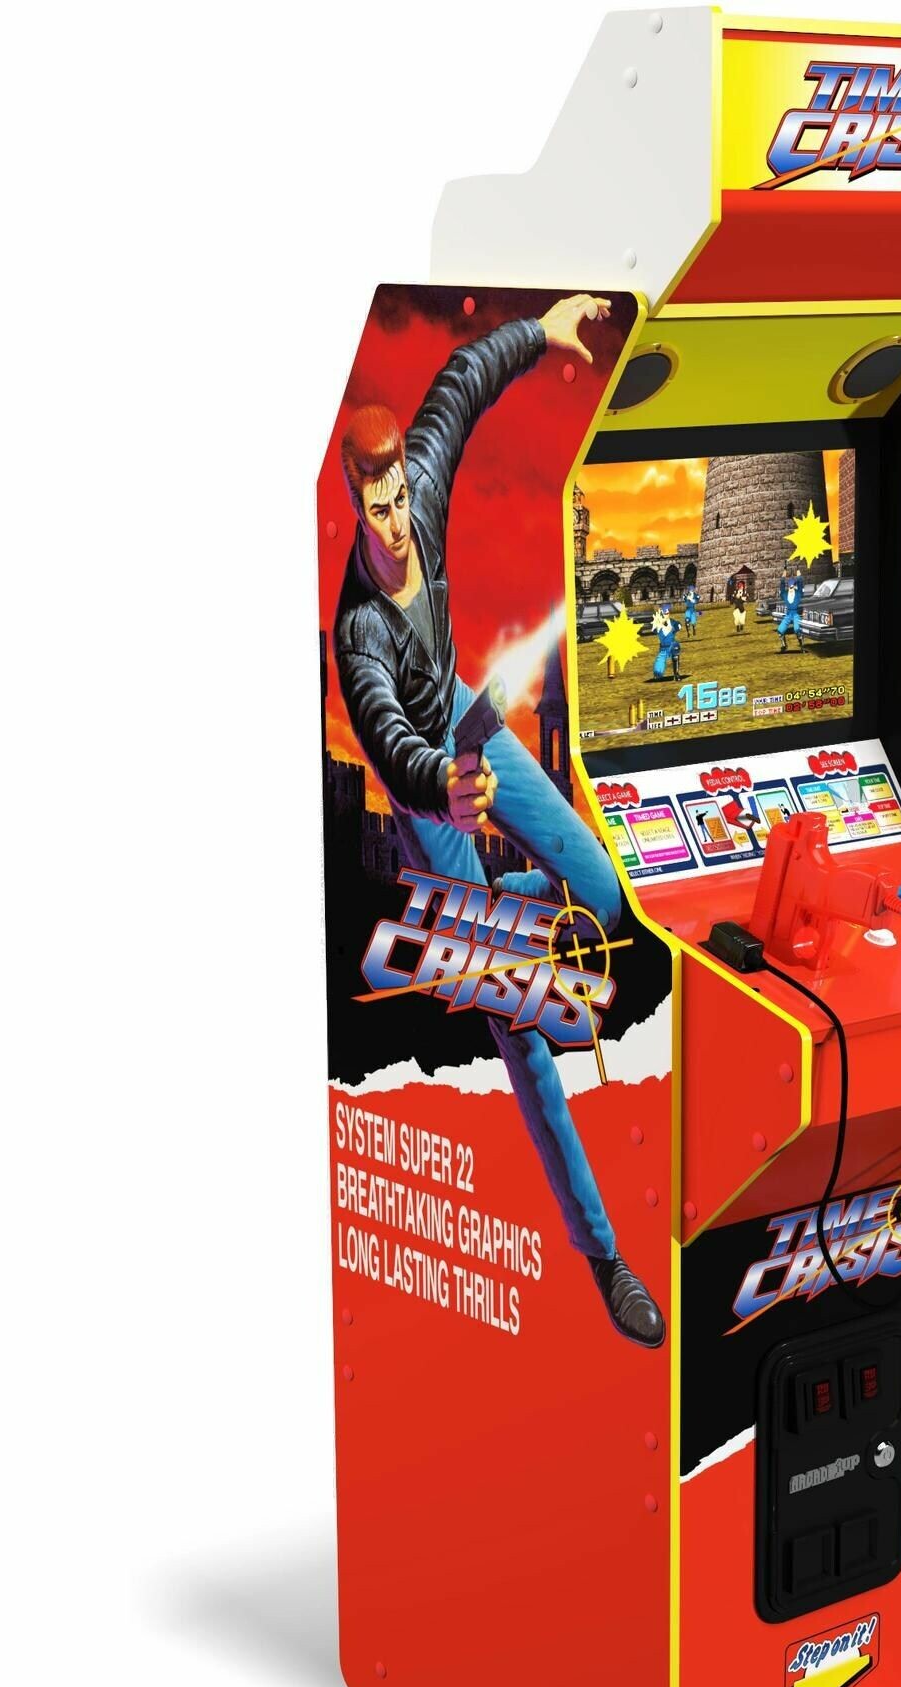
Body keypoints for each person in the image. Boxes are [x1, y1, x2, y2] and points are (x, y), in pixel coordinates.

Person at [326, 294, 664, 1348]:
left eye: (399, 502)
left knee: (603, 892)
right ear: (353, 507)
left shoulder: (422, 487)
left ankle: (489, 914)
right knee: (519, 1029)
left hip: (472, 722)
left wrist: (541, 332)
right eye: (376, 511)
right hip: (429, 785)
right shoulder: (356, 632)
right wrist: (443, 788)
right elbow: (387, 738)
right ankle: (604, 1254)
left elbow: (460, 385)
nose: (395, 526)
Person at [775, 566, 808, 651]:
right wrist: (784, 571)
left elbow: (800, 582)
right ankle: (784, 645)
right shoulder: (785, 594)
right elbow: (782, 583)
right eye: (790, 586)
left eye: (792, 586)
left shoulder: (798, 593)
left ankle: (802, 646)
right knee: (780, 630)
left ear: (794, 586)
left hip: (796, 613)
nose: (791, 588)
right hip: (788, 614)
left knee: (797, 629)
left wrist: (798, 571)